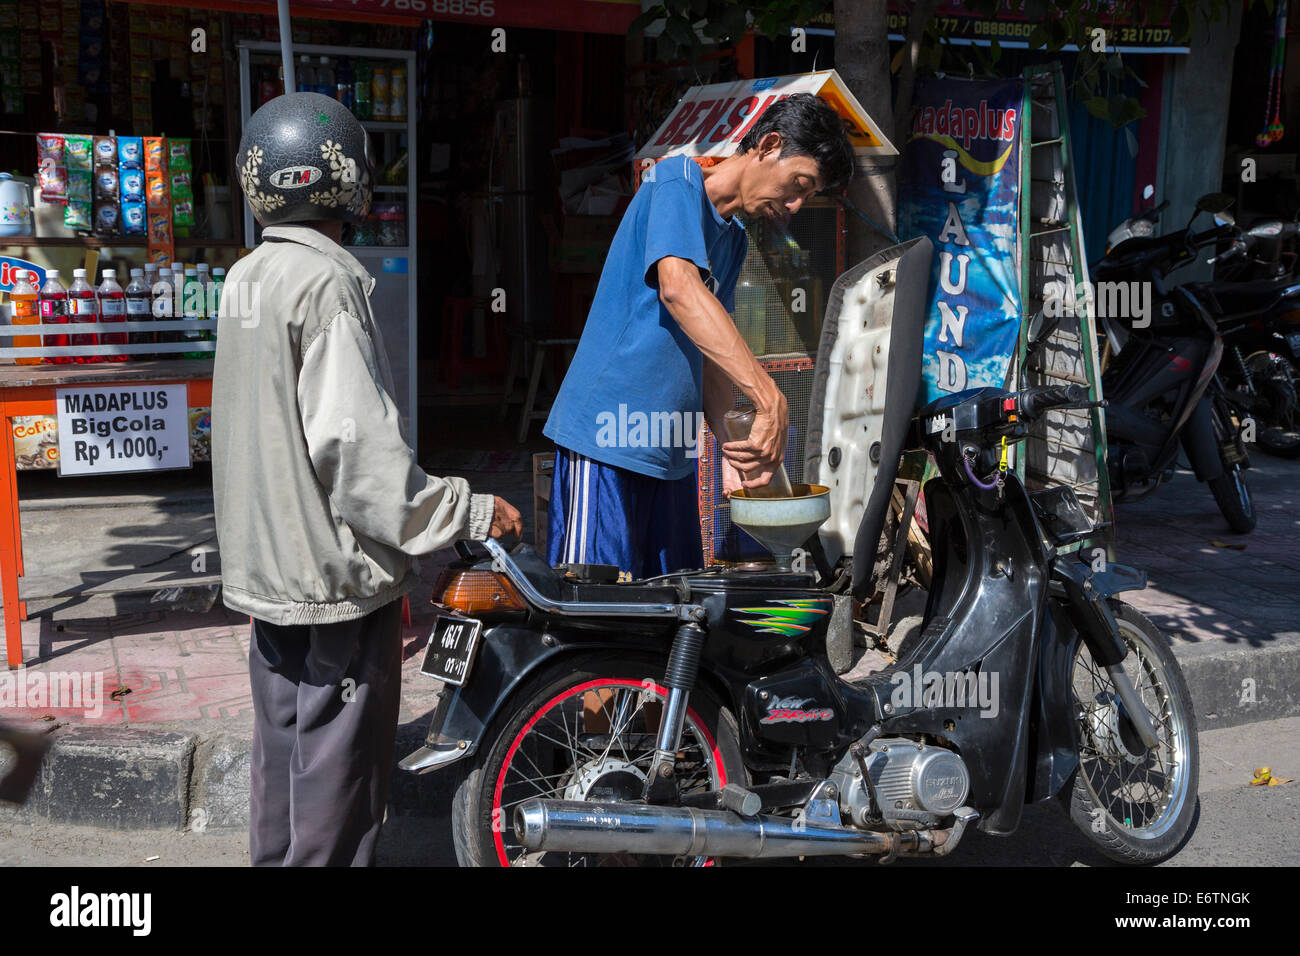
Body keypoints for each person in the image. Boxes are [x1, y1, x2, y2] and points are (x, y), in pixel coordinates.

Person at [211, 92, 522, 867]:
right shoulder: (325, 283)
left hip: (268, 568)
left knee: (284, 749)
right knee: (338, 770)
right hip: (330, 574)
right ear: (345, 181)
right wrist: (467, 509)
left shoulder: (246, 276)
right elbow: (357, 454)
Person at [542, 93, 854, 579]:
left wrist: (733, 447)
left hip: (671, 455)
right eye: (798, 184)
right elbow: (679, 289)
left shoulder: (731, 239)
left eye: (806, 196)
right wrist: (770, 399)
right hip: (607, 440)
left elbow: (709, 354)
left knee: (672, 609)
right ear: (768, 145)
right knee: (594, 612)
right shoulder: (676, 180)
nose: (793, 204)